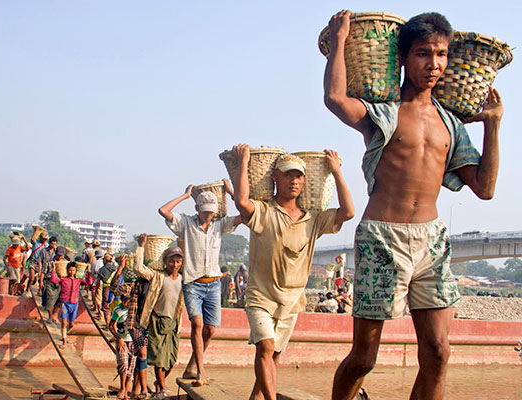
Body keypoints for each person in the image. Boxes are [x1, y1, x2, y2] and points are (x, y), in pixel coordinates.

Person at [324, 10, 503, 399]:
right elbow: (337, 99)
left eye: (441, 54)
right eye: (423, 53)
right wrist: (339, 40)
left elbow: (485, 188)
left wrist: (492, 124)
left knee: (438, 352)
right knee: (364, 357)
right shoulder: (385, 113)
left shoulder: (451, 125)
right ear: (403, 57)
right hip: (382, 239)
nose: (434, 64)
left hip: (432, 241)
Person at [232, 145, 355, 400]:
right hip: (261, 294)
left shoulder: (313, 218)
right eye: (288, 175)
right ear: (275, 177)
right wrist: (243, 163)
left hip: (292, 298)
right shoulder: (263, 210)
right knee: (265, 347)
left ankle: (256, 397)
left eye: (299, 176)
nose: (294, 180)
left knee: (274, 354)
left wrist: (336, 173)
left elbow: (348, 212)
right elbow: (242, 202)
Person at [158, 181, 241, 385]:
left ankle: (192, 365)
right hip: (193, 283)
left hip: (213, 284)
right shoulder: (186, 223)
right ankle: (200, 372)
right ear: (197, 209)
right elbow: (163, 210)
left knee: (210, 329)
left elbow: (246, 214)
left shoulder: (219, 226)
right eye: (204, 211)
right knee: (197, 323)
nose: (208, 215)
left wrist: (231, 192)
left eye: (211, 212)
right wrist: (185, 195)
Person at [133, 233, 184, 397]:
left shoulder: (183, 279)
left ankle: (158, 382)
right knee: (159, 359)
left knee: (171, 360)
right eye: (171, 261)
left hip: (174, 323)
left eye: (177, 261)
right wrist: (141, 246)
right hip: (157, 320)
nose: (174, 264)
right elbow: (139, 269)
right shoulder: (158, 276)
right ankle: (161, 387)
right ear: (165, 262)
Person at [108, 272, 134, 400]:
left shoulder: (133, 309)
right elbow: (111, 326)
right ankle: (122, 388)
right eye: (125, 300)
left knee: (131, 367)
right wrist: (119, 339)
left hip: (133, 341)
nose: (126, 303)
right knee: (123, 365)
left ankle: (126, 390)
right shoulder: (118, 310)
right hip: (123, 340)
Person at [50, 261, 87, 348]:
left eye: (73, 270)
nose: (71, 272)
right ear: (67, 270)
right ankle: (64, 342)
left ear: (76, 271)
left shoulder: (78, 280)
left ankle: (65, 334)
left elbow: (89, 282)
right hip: (65, 303)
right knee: (63, 322)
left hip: (74, 304)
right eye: (70, 270)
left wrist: (88, 271)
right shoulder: (64, 280)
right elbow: (54, 280)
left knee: (71, 324)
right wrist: (53, 270)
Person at [42, 245, 65, 324]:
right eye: (58, 255)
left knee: (59, 300)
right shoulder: (49, 261)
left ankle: (55, 316)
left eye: (61, 256)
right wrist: (41, 281)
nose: (59, 257)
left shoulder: (64, 262)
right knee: (50, 299)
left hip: (60, 283)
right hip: (50, 282)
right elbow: (43, 271)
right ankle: (50, 316)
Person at [23, 231, 49, 296]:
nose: (44, 240)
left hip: (40, 263)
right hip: (33, 262)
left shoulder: (46, 245)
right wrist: (36, 230)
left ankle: (40, 291)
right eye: (43, 239)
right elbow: (32, 239)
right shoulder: (36, 243)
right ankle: (27, 289)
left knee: (40, 279)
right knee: (31, 278)